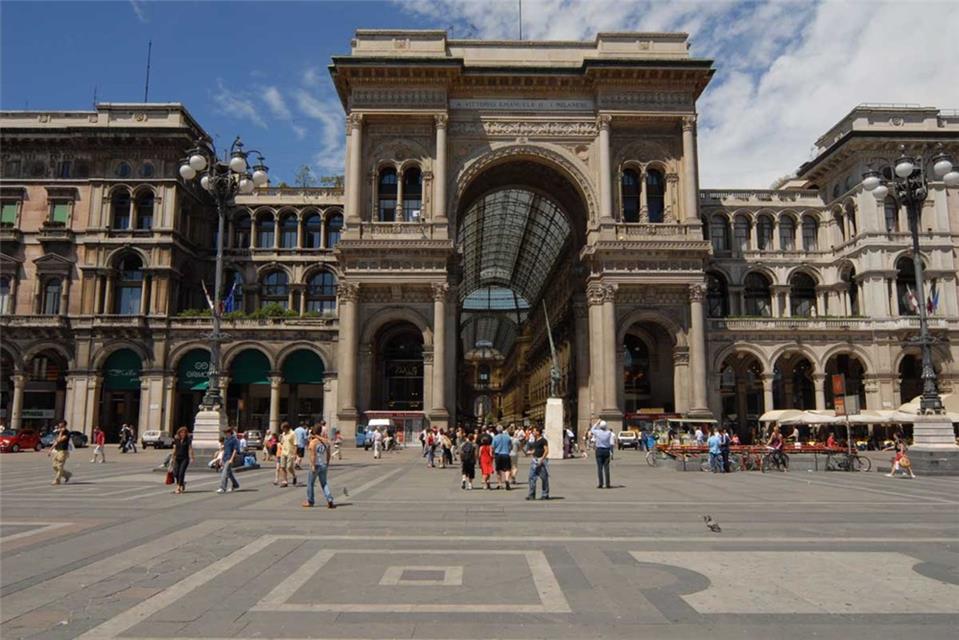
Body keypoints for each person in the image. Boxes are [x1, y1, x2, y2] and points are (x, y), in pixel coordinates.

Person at [303, 426, 336, 508]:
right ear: (320, 431)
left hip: (316, 464)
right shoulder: (326, 441)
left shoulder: (313, 442)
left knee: (310, 483)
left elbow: (313, 455)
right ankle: (329, 499)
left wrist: (313, 465)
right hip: (323, 464)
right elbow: (328, 454)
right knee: (324, 483)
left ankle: (310, 501)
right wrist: (327, 463)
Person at [526, 425, 550, 500]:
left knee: (544, 478)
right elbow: (536, 450)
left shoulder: (543, 440)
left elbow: (546, 451)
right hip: (534, 460)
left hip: (540, 461)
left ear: (538, 432)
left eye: (534, 431)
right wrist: (531, 452)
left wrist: (542, 459)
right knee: (531, 477)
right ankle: (531, 495)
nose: (533, 432)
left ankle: (545, 494)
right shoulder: (535, 440)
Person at [590, 418, 615, 488]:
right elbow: (608, 430)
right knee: (606, 468)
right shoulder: (609, 433)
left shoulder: (597, 432)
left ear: (600, 426)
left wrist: (597, 423)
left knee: (599, 468)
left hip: (599, 450)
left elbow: (592, 429)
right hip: (606, 450)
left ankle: (600, 484)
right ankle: (608, 484)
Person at [171, 426, 194, 494]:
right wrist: (172, 457)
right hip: (177, 458)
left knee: (181, 472)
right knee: (176, 473)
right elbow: (175, 449)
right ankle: (182, 483)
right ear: (179, 433)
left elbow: (190, 448)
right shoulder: (177, 439)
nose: (183, 434)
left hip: (185, 458)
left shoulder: (188, 440)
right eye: (181, 432)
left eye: (184, 432)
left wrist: (192, 457)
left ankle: (178, 487)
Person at [216, 427, 240, 493]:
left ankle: (222, 487)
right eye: (225, 433)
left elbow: (235, 450)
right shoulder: (226, 440)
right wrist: (221, 459)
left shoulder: (234, 440)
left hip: (230, 458)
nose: (225, 434)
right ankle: (235, 485)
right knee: (229, 473)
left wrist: (232, 459)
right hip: (225, 457)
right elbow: (224, 450)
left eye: (226, 432)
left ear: (229, 432)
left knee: (224, 472)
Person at [492, 425, 513, 490]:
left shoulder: (495, 438)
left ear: (497, 430)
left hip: (498, 454)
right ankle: (506, 480)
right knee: (507, 469)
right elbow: (511, 446)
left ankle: (500, 484)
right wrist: (509, 450)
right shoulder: (507, 437)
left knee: (498, 469)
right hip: (506, 454)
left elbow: (493, 447)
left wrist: (493, 454)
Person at [278, 422, 297, 487]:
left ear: (286, 428)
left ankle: (294, 476)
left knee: (289, 467)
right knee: (282, 467)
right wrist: (280, 438)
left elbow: (295, 444)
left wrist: (295, 454)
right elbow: (282, 442)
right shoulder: (283, 434)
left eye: (283, 429)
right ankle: (285, 481)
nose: (282, 430)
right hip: (283, 452)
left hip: (290, 452)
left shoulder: (293, 433)